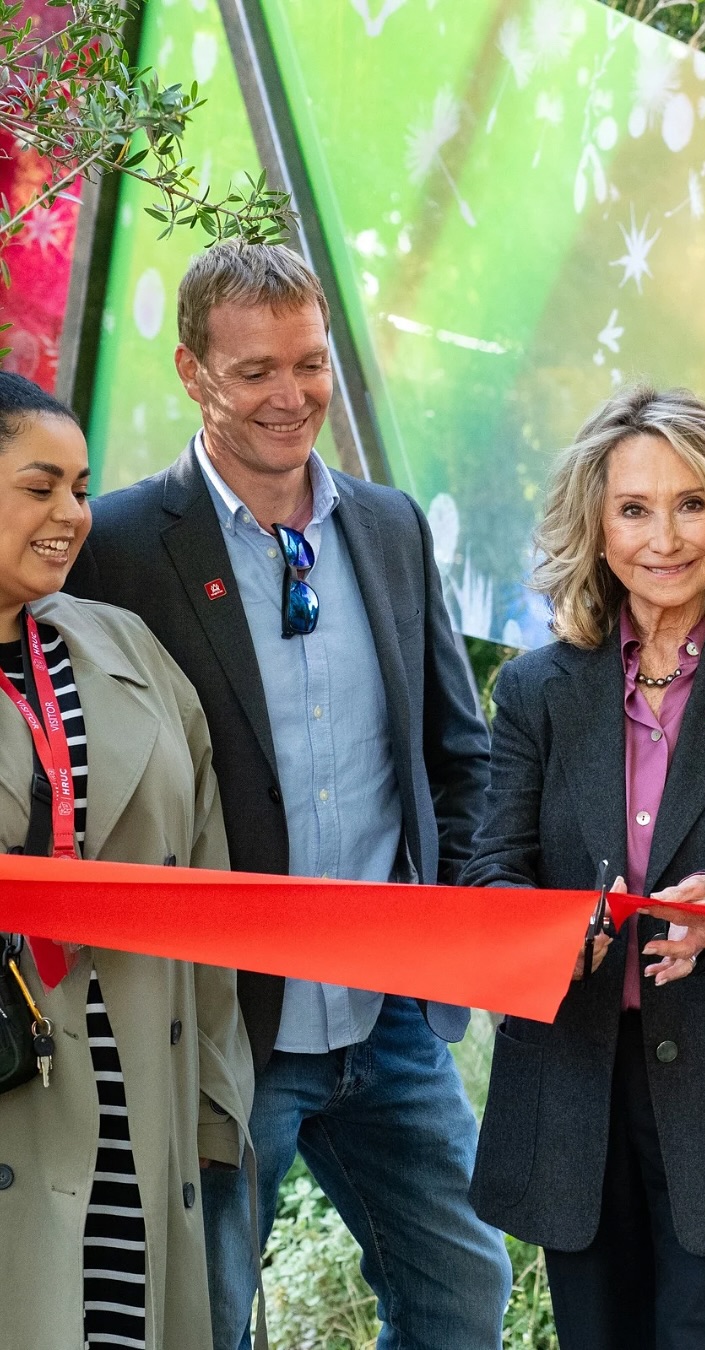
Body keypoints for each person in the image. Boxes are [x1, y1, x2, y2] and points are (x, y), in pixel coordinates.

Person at [65, 242, 512, 1350]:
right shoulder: (116, 545)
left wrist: (447, 920)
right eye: (256, 369)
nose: (290, 395)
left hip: (389, 1015)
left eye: (308, 365)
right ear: (192, 372)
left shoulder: (390, 527)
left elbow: (459, 754)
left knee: (464, 1292)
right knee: (208, 1320)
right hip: (219, 1030)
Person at [461, 385, 705, 1350]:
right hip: (574, 1092)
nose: (664, 537)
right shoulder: (538, 689)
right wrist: (564, 933)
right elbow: (491, 880)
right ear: (596, 529)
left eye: (692, 504)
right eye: (635, 508)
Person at [0, 371, 253, 1350]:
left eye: (80, 486)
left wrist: (216, 1108)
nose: (73, 514)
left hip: (137, 1106)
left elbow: (210, 895)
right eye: (39, 486)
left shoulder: (130, 649)